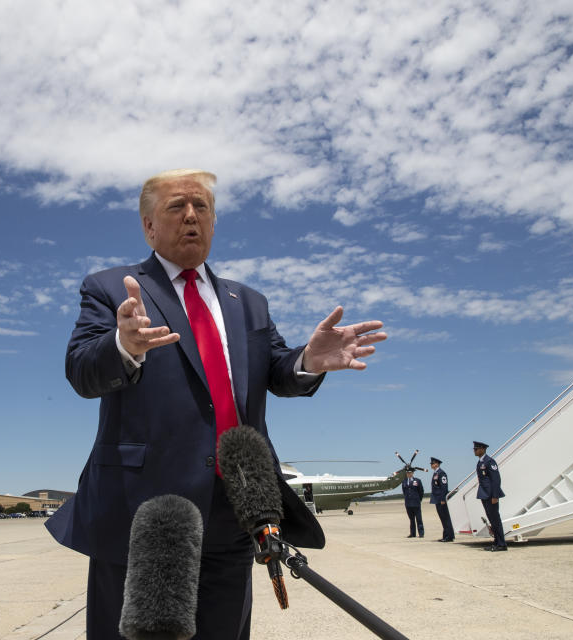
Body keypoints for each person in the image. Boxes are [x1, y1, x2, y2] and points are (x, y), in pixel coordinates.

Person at [47, 169, 387, 640]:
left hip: (234, 510)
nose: (192, 216)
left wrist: (309, 360)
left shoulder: (247, 302)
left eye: (202, 207)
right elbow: (82, 370)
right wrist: (122, 345)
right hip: (145, 514)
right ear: (148, 225)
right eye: (176, 207)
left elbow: (276, 372)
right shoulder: (111, 288)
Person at [473, 441, 507, 551]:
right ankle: (496, 542)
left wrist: (495, 496)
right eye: (474, 449)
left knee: (495, 520)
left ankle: (502, 544)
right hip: (484, 494)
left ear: (483, 449)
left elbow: (496, 480)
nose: (475, 451)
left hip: (491, 495)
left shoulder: (489, 461)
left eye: (476, 449)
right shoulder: (480, 462)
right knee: (492, 519)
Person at [429, 456, 454, 542]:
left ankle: (449, 536)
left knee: (445, 518)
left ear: (437, 464)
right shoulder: (436, 473)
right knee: (443, 518)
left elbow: (444, 487)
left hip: (441, 499)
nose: (431, 465)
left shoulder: (441, 473)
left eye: (432, 463)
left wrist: (443, 499)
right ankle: (446, 535)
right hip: (437, 498)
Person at [401, 467, 425, 537]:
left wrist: (419, 499)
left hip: (416, 502)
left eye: (410, 473)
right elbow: (404, 492)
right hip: (408, 503)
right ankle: (412, 533)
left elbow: (421, 491)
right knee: (411, 519)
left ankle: (421, 533)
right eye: (407, 473)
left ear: (412, 473)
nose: (409, 474)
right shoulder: (404, 481)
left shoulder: (417, 481)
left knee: (419, 519)